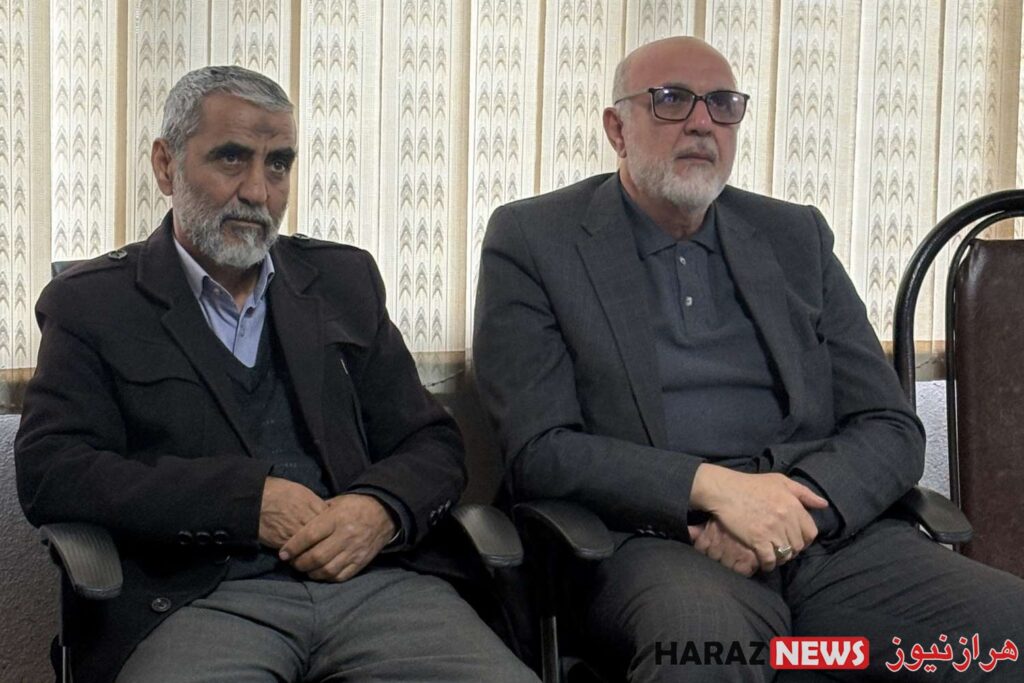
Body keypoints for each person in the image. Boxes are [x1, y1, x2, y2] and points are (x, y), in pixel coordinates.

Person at [473, 37, 1024, 681]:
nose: (701, 122)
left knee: (1009, 633)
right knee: (706, 653)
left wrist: (793, 512)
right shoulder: (536, 239)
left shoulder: (795, 236)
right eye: (672, 100)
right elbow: (540, 450)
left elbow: (890, 424)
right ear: (617, 129)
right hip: (657, 544)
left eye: (723, 104)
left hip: (824, 539)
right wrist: (716, 491)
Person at [16, 65, 537, 683]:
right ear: (166, 166)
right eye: (231, 158)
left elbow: (432, 442)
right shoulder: (93, 302)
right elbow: (53, 472)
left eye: (279, 164)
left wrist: (380, 509)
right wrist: (246, 504)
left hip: (374, 586)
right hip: (195, 600)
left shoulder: (342, 281)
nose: (258, 192)